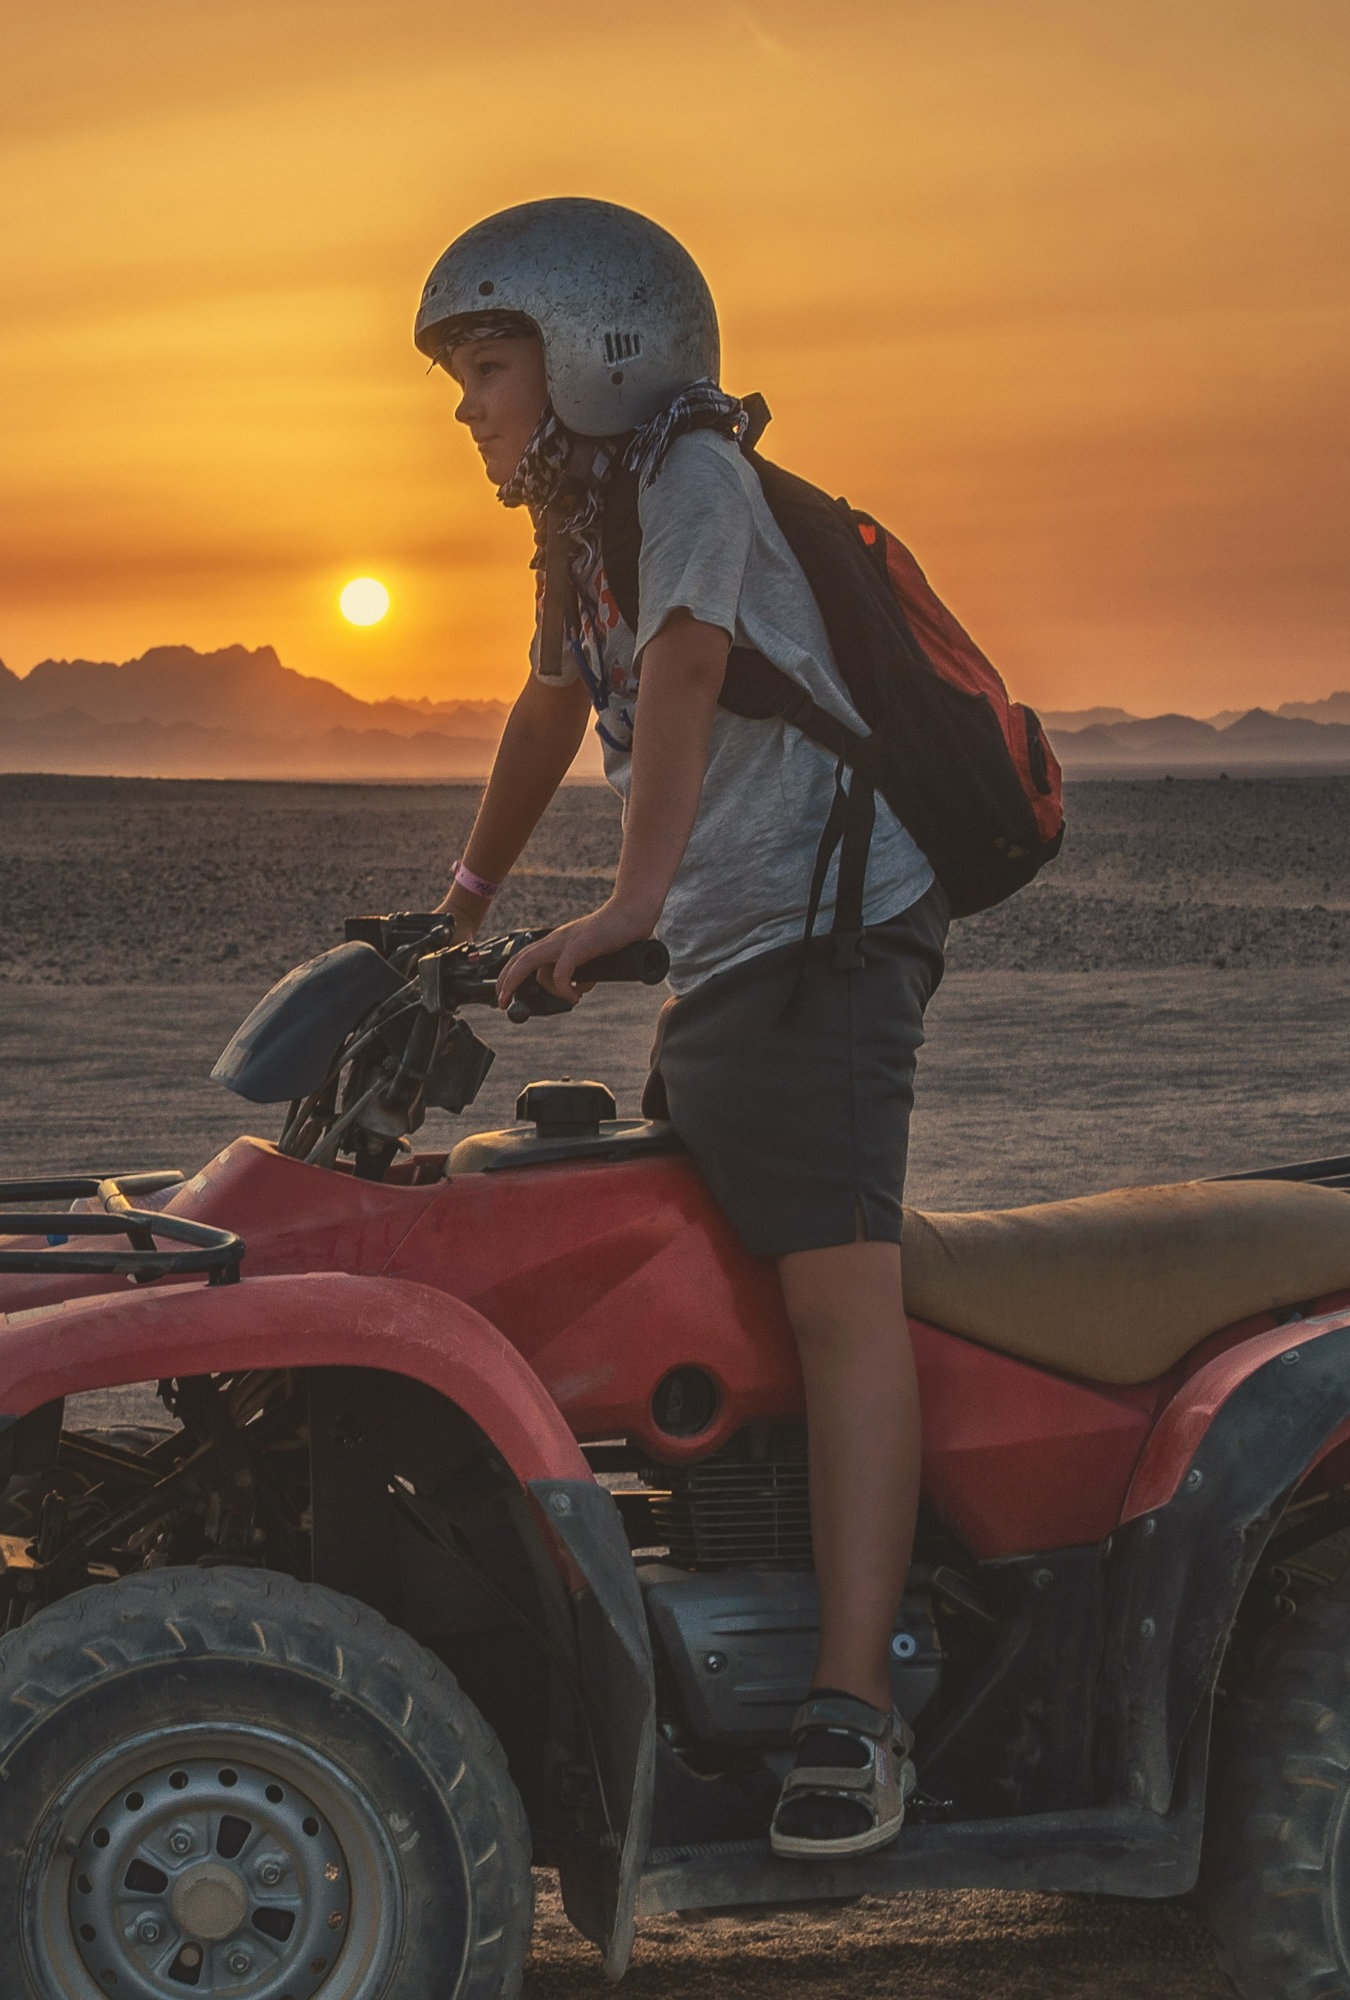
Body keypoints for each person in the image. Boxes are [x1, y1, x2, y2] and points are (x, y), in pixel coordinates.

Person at [419, 199, 946, 1860]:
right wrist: (459, 907)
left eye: (486, 367)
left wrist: (630, 907)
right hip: (739, 942)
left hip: (827, 936)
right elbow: (552, 707)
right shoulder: (591, 523)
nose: (465, 407)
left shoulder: (694, 479)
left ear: (595, 355)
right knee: (704, 1279)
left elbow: (699, 668)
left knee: (841, 1298)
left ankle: (856, 1720)